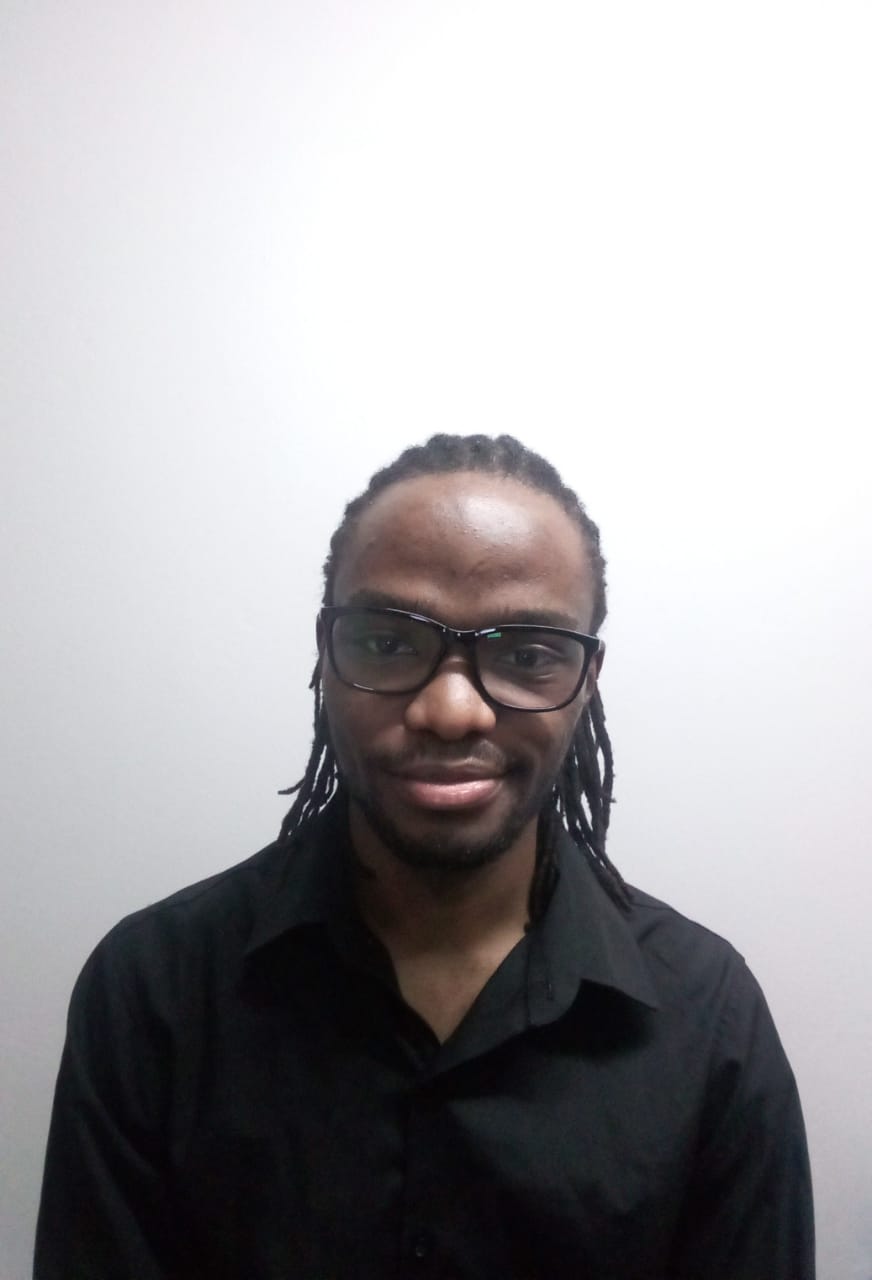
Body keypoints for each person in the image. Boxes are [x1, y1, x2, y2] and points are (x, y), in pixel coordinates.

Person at [35, 434, 814, 1279]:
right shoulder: (154, 993)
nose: (451, 711)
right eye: (388, 642)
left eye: (527, 654)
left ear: (587, 680)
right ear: (326, 655)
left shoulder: (708, 1018)